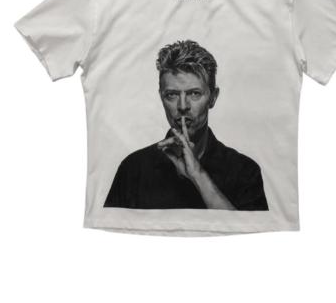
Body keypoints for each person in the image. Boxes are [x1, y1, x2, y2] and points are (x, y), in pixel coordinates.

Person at [103, 39, 269, 210]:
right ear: (161, 97)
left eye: (194, 93)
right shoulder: (133, 169)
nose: (182, 106)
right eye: (172, 94)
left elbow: (244, 228)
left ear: (213, 97)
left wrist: (198, 175)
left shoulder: (244, 171)